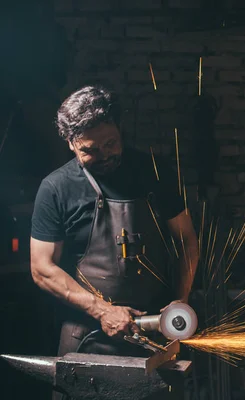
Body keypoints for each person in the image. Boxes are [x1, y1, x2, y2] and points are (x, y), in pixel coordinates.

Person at [29, 86, 199, 398]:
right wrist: (102, 311)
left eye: (111, 143)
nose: (105, 155)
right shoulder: (55, 189)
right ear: (70, 143)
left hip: (153, 338)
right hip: (85, 341)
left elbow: (187, 240)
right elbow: (41, 268)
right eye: (90, 150)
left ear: (120, 128)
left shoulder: (154, 172)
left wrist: (180, 300)